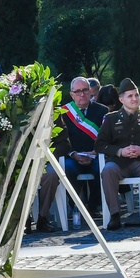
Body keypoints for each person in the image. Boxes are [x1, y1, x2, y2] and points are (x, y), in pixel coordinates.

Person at [37, 77, 107, 231]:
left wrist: (96, 152)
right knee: (66, 170)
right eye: (78, 91)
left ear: (90, 92)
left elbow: (107, 137)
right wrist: (73, 154)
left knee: (102, 169)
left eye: (85, 90)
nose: (82, 94)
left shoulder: (103, 111)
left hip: (95, 155)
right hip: (71, 156)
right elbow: (60, 140)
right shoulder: (63, 112)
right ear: (72, 94)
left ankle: (93, 207)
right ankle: (76, 206)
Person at [95, 78, 140, 230]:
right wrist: (120, 151)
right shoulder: (111, 118)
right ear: (121, 99)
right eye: (130, 96)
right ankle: (114, 215)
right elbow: (99, 144)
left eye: (137, 95)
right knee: (107, 171)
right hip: (119, 163)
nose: (134, 99)